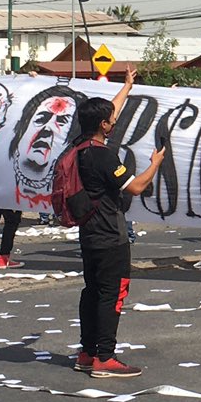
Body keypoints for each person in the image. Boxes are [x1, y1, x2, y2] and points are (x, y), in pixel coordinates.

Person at [67, 77, 165, 378]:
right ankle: (105, 358)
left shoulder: (78, 147)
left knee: (92, 292)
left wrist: (127, 86)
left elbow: (108, 111)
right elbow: (136, 186)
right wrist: (155, 163)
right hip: (110, 235)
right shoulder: (103, 156)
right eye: (111, 121)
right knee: (113, 294)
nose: (114, 123)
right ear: (104, 126)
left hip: (89, 233)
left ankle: (87, 352)